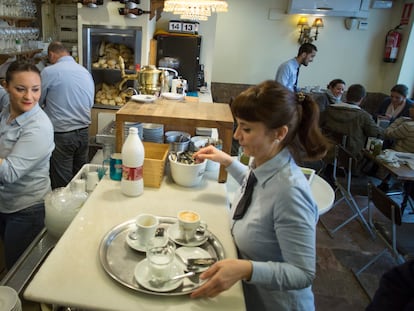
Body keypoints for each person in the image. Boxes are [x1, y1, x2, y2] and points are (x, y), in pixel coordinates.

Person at [191, 80, 329, 310]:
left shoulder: (291, 192)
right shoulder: (264, 163)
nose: (236, 135)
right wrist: (227, 161)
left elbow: (303, 273)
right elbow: (257, 185)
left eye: (246, 129)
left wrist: (246, 268)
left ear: (279, 133)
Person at [0, 61, 54, 269]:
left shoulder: (38, 126)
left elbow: (9, 172)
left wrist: (5, 162)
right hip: (6, 202)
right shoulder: (7, 112)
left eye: (35, 90)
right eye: (20, 89)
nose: (29, 97)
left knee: (20, 268)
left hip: (27, 210)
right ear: (6, 86)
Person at [39, 41, 95, 189]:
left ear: (51, 54)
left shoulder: (48, 72)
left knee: (62, 184)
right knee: (80, 179)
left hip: (62, 134)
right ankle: (81, 210)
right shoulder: (84, 71)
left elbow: (36, 101)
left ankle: (64, 211)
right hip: (83, 131)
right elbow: (90, 102)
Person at [320, 84, 383, 162]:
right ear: (361, 99)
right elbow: (375, 133)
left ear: (346, 95)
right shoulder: (364, 116)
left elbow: (317, 124)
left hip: (327, 151)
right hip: (350, 156)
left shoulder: (328, 110)